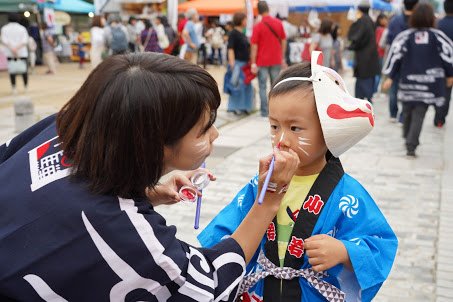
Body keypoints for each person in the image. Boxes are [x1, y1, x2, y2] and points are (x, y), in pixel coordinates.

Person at [0, 53, 300, 300]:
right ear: (153, 144)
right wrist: (269, 198)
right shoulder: (128, 236)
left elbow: (63, 197)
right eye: (204, 129)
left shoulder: (59, 129)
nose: (216, 133)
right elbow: (208, 286)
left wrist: (146, 193)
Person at [199, 51, 398, 302]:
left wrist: (345, 251)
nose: (282, 140)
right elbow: (228, 231)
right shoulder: (261, 183)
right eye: (274, 126)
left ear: (328, 130)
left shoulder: (347, 193)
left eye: (295, 128)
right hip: (262, 291)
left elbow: (380, 243)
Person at [382, 3, 453, 157]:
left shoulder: (405, 36)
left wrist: (390, 76)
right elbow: (449, 56)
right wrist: (449, 74)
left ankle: (409, 141)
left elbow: (395, 57)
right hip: (429, 85)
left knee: (407, 112)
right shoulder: (438, 37)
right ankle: (411, 143)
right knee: (418, 114)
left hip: (408, 83)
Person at [251, 1, 287, 117]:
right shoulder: (278, 23)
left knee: (262, 86)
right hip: (276, 59)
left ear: (259, 11)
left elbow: (254, 46)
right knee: (275, 86)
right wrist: (282, 56)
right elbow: (284, 40)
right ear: (268, 9)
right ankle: (275, 110)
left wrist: (253, 62)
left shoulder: (258, 26)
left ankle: (264, 111)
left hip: (262, 60)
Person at [386, 0, 419, 122]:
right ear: (416, 5)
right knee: (408, 89)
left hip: (396, 58)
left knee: (393, 87)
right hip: (411, 61)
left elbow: (389, 40)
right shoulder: (418, 22)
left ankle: (393, 114)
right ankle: (403, 116)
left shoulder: (395, 20)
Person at [347, 1, 380, 103]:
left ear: (359, 9)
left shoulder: (361, 21)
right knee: (369, 78)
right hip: (371, 55)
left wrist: (352, 46)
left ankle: (362, 99)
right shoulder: (371, 20)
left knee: (362, 78)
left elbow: (357, 37)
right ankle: (369, 96)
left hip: (363, 56)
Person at [226, 12, 254, 115]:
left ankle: (245, 107)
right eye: (245, 19)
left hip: (245, 64)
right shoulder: (233, 33)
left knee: (246, 85)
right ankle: (236, 107)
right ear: (241, 20)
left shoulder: (242, 33)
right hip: (237, 63)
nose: (247, 21)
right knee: (237, 86)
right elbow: (230, 49)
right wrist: (232, 63)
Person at [434, 0, 453, 127]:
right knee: (447, 91)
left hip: (437, 64)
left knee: (438, 91)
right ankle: (440, 118)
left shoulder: (437, 24)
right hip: (451, 64)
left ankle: (438, 115)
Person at [1, 13, 29, 94]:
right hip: (21, 53)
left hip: (10, 53)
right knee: (24, 71)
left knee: (12, 71)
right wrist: (17, 48)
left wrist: (12, 48)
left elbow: (3, 40)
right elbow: (25, 40)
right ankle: (25, 87)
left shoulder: (4, 28)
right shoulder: (22, 28)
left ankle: (14, 88)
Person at [374, 14, 388, 95]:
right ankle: (376, 90)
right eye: (385, 19)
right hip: (381, 54)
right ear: (381, 20)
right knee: (379, 73)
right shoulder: (381, 29)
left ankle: (376, 90)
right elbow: (380, 43)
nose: (386, 21)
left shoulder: (378, 29)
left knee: (378, 73)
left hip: (378, 53)